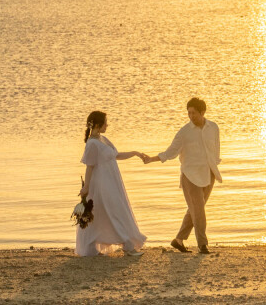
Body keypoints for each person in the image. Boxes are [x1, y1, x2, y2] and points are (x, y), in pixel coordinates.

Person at [143, 97, 221, 254]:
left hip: (208, 174)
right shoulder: (184, 132)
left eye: (194, 113)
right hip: (190, 176)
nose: (191, 116)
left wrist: (215, 165)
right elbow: (170, 152)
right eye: (189, 113)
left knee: (194, 210)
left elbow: (216, 148)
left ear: (202, 112)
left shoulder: (213, 127)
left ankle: (178, 240)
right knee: (198, 211)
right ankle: (202, 245)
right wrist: (152, 159)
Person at [76, 110, 147, 257]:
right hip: (101, 184)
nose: (107, 125)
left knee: (109, 212)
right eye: (105, 123)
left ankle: (122, 244)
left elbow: (117, 155)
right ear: (97, 125)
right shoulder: (92, 144)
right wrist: (86, 187)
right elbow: (89, 166)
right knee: (113, 211)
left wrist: (135, 153)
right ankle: (126, 244)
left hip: (113, 182)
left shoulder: (103, 139)